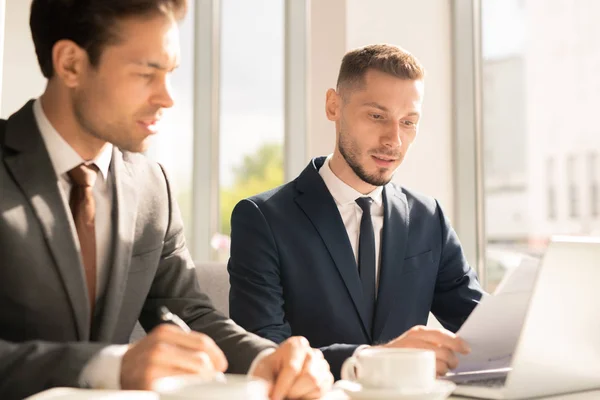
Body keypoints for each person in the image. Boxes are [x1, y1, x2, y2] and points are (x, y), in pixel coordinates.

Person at [0, 1, 333, 399]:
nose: (167, 98)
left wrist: (269, 360)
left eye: (170, 74)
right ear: (70, 64)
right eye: (146, 74)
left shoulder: (151, 185)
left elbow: (189, 312)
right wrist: (110, 366)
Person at [228, 44, 485, 379]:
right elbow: (265, 353)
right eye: (377, 116)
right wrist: (374, 360)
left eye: (408, 122)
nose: (394, 140)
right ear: (334, 106)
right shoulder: (263, 219)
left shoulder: (427, 217)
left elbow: (481, 329)